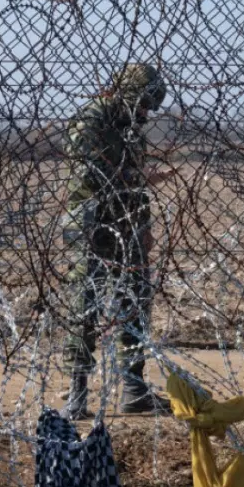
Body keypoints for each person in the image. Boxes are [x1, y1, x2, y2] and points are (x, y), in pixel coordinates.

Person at [59, 62, 176, 419]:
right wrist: (138, 176)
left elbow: (131, 180)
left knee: (134, 302)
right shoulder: (91, 120)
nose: (146, 113)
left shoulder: (131, 127)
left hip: (128, 222)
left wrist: (144, 223)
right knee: (85, 304)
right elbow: (92, 172)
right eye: (143, 103)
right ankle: (77, 394)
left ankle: (134, 390)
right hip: (92, 221)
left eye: (151, 107)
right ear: (127, 93)